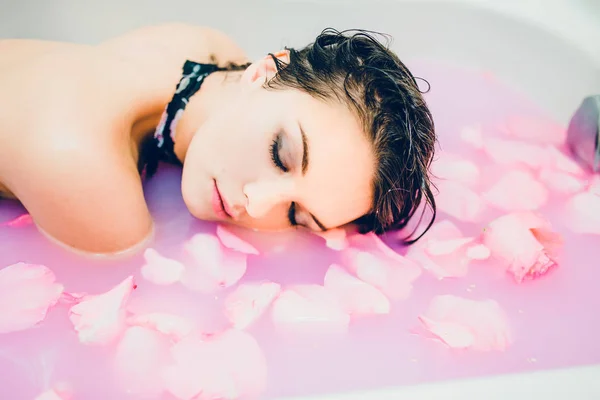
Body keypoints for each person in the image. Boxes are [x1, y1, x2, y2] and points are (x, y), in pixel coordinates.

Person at [0, 23, 437, 254]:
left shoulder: (209, 50)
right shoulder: (84, 170)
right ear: (265, 72)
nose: (257, 203)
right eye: (280, 155)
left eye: (295, 215)